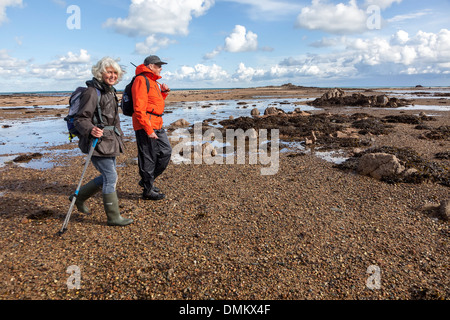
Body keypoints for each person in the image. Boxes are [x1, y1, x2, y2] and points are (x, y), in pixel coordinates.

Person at [72, 57, 133, 226]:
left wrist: (119, 136)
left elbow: (114, 120)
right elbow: (80, 118)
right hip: (97, 142)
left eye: (115, 73)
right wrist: (90, 129)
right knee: (111, 176)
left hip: (111, 141)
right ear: (100, 73)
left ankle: (78, 197)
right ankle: (113, 217)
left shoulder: (111, 91)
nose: (112, 75)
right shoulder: (92, 92)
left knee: (107, 175)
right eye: (109, 72)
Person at [131, 55, 172, 200]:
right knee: (148, 158)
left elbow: (154, 104)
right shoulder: (141, 80)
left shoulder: (153, 82)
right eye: (158, 65)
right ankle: (148, 190)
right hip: (145, 125)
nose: (161, 68)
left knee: (166, 152)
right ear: (150, 66)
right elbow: (139, 108)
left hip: (157, 124)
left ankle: (147, 181)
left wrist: (164, 93)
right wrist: (148, 130)